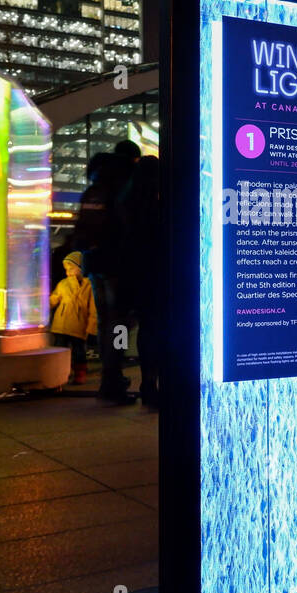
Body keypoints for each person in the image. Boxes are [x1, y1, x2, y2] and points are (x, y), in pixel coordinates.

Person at [72, 152, 134, 404]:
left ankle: (109, 376)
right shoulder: (116, 193)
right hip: (114, 267)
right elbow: (123, 231)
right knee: (119, 324)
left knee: (104, 323)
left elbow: (80, 230)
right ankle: (113, 375)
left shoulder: (90, 193)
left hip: (94, 265)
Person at [122, 155, 162, 407]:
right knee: (164, 331)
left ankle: (147, 382)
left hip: (136, 276)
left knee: (145, 331)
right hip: (159, 277)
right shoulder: (160, 203)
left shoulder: (127, 202)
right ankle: (157, 384)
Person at [50, 251, 97, 384]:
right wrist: (41, 304)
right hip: (60, 326)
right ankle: (60, 374)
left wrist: (91, 328)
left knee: (79, 353)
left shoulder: (89, 286)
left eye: (71, 268)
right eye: (66, 269)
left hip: (79, 326)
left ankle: (79, 374)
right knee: (59, 352)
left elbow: (93, 310)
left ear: (81, 267)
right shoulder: (63, 284)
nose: (68, 272)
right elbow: (54, 299)